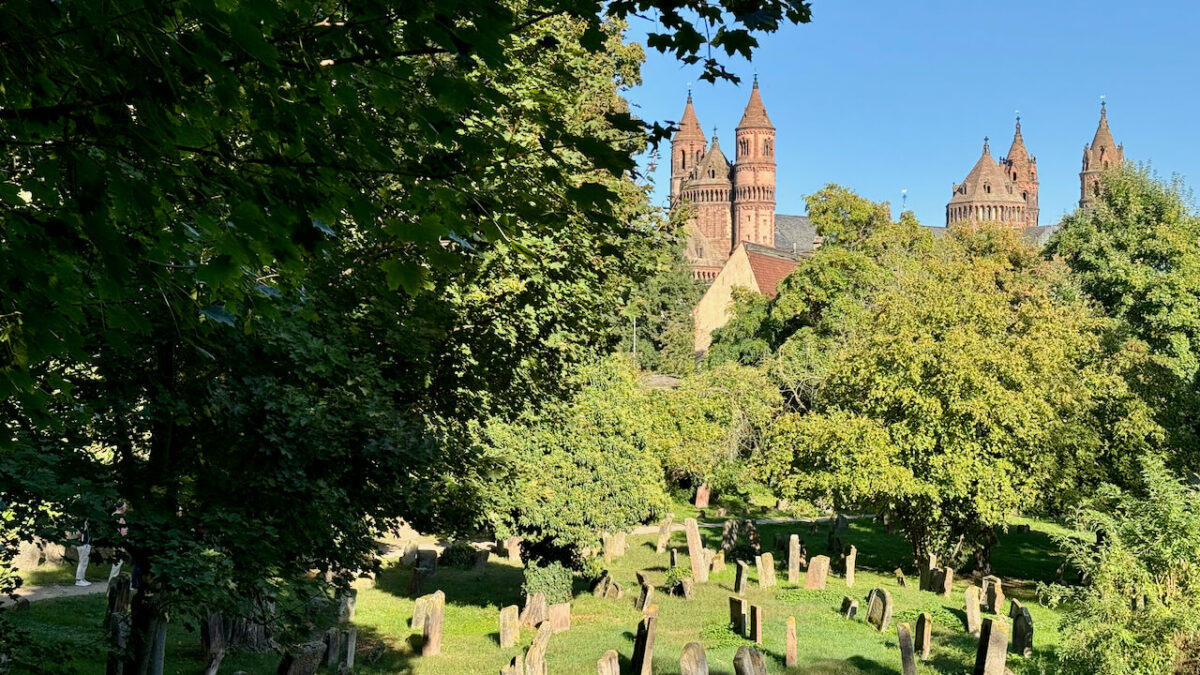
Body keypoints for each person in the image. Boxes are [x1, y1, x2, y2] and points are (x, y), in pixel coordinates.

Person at [74, 519, 92, 586]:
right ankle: (79, 580)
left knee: (84, 562)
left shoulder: (85, 522)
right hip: (83, 544)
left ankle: (82, 578)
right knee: (82, 562)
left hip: (85, 544)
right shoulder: (81, 523)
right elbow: (78, 533)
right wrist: (82, 537)